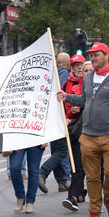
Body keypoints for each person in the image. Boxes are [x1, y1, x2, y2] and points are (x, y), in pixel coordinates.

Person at [56, 42, 109, 217]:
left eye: (96, 55)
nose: (92, 58)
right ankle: (94, 212)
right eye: (91, 55)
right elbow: (85, 100)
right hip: (88, 135)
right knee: (92, 177)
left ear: (106, 56)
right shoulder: (89, 76)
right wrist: (66, 96)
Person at [38, 53, 72, 194]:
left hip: (49, 117)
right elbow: (62, 95)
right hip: (60, 117)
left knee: (56, 149)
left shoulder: (49, 73)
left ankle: (61, 181)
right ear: (68, 63)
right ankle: (43, 172)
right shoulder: (64, 74)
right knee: (63, 150)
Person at [60, 54, 87, 210]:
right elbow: (62, 106)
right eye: (76, 65)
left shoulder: (89, 83)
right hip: (73, 128)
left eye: (81, 65)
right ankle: (73, 197)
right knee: (77, 165)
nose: (79, 68)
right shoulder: (66, 84)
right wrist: (67, 116)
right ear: (71, 67)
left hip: (89, 128)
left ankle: (80, 192)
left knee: (91, 166)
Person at [10, 144, 48, 214]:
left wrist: (46, 138)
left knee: (33, 170)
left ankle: (30, 201)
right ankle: (20, 197)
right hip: (16, 137)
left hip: (36, 137)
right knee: (14, 168)